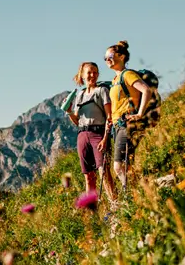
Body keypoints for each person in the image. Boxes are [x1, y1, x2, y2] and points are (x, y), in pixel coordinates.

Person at [64, 62, 117, 201]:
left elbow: (109, 117)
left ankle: (115, 204)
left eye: (95, 72)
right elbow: (77, 121)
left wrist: (105, 139)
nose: (92, 75)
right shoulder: (80, 95)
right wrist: (69, 112)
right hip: (82, 135)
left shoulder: (102, 91)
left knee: (104, 171)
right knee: (88, 176)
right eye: (89, 72)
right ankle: (92, 208)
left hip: (98, 134)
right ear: (82, 75)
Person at [104, 41, 153, 190]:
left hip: (127, 123)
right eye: (105, 58)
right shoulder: (115, 80)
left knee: (118, 166)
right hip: (117, 125)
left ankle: (131, 193)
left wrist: (140, 113)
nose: (107, 60)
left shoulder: (127, 74)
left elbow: (146, 90)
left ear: (121, 56)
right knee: (126, 164)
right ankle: (140, 190)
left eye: (110, 56)